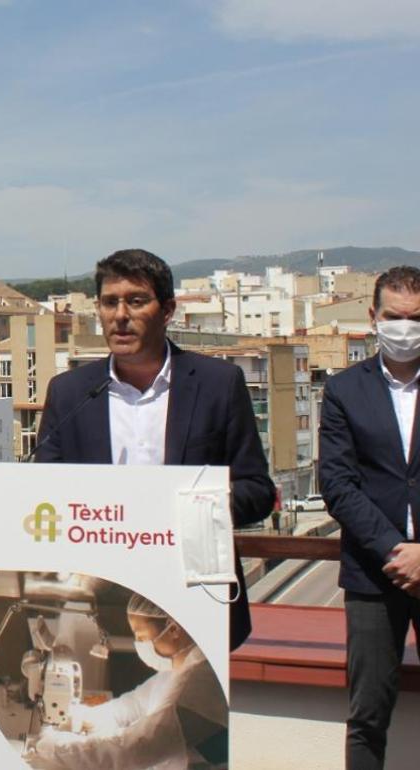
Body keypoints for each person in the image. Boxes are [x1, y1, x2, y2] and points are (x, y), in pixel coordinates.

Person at [36, 248, 275, 650]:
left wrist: (192, 510)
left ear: (167, 310)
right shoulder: (70, 392)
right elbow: (44, 493)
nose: (120, 315)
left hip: (195, 595)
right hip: (103, 603)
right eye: (110, 302)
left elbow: (258, 490)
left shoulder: (219, 384)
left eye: (136, 301)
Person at [319, 266, 420, 770]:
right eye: (395, 317)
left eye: (416, 318)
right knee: (367, 715)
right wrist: (395, 549)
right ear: (373, 317)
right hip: (373, 575)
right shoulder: (343, 390)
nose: (405, 328)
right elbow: (337, 484)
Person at [31, 595, 228, 770]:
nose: (138, 643)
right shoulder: (175, 673)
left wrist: (52, 747)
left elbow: (132, 750)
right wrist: (79, 717)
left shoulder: (201, 681)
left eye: (141, 636)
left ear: (174, 629)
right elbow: (129, 706)